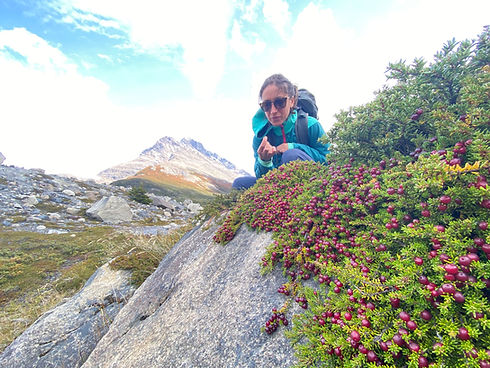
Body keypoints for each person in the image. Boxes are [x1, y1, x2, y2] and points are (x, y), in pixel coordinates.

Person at [232, 73, 330, 190]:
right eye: (267, 105)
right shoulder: (260, 137)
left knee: (291, 155)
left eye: (280, 102)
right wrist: (265, 161)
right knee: (239, 184)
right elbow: (262, 180)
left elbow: (328, 161)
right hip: (279, 185)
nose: (273, 111)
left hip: (312, 182)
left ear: (292, 101)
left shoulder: (310, 125)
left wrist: (293, 147)